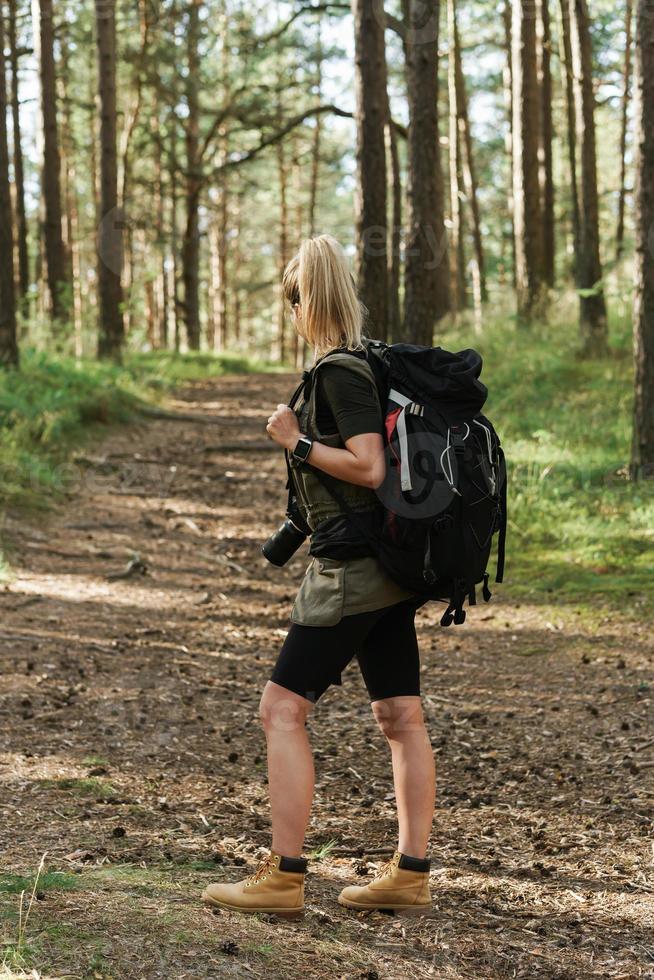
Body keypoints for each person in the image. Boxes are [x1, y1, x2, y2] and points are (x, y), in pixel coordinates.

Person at [202, 235, 435, 920]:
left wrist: (295, 441)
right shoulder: (368, 363)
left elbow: (367, 467)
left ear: (308, 298)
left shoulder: (337, 371)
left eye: (292, 298)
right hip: (391, 569)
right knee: (400, 714)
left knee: (281, 710)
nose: (290, 311)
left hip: (353, 572)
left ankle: (284, 875)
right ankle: (411, 873)